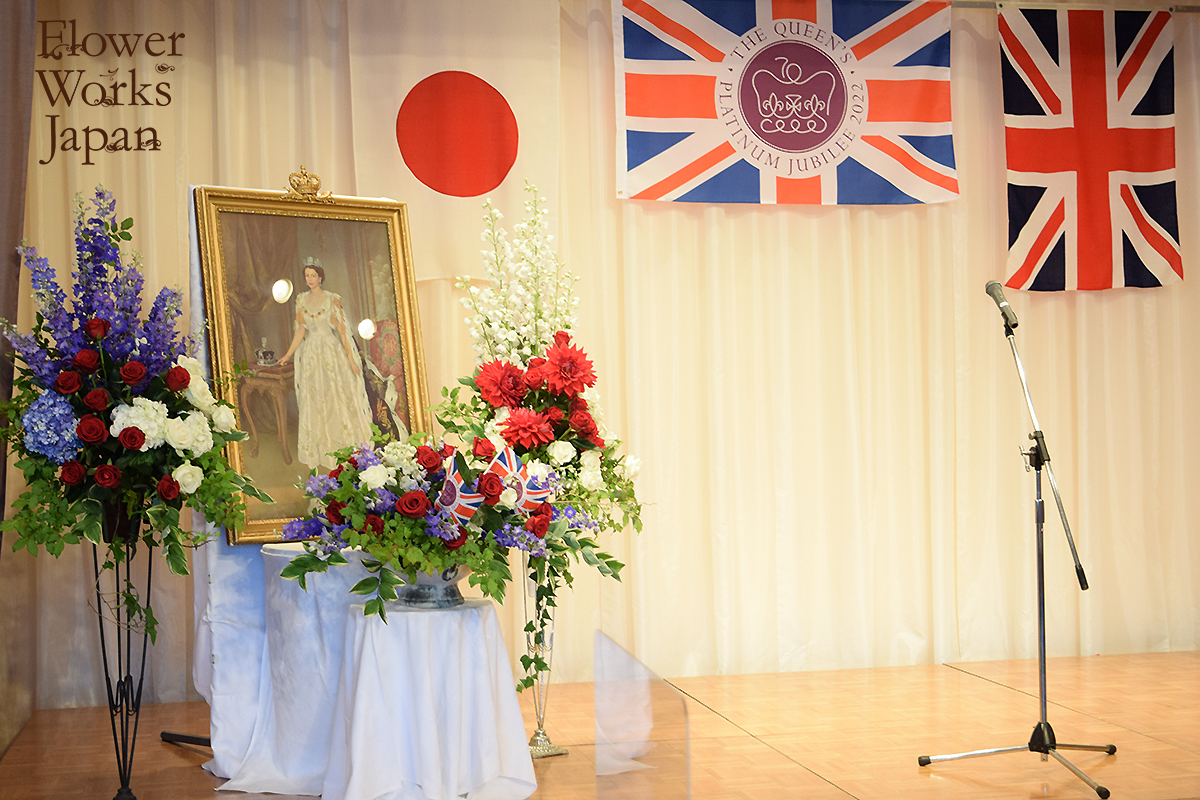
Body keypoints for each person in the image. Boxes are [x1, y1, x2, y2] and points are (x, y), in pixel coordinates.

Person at [278, 258, 374, 468]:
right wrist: (288, 354)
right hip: (312, 355)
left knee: (336, 397)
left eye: (313, 275)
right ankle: (322, 450)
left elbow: (341, 331)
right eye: (307, 276)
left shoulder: (332, 299)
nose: (310, 279)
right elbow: (301, 331)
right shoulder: (301, 300)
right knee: (316, 400)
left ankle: (343, 447)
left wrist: (351, 360)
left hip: (331, 353)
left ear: (320, 277)